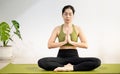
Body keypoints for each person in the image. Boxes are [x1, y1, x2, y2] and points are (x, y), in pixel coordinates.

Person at [38, 5, 101, 72]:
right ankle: (67, 67)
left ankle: (71, 68)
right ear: (62, 15)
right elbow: (49, 45)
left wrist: (71, 42)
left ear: (73, 16)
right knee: (41, 62)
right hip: (61, 58)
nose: (68, 16)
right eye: (65, 14)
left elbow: (85, 45)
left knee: (97, 61)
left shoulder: (77, 28)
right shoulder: (57, 29)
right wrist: (64, 42)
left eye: (70, 14)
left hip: (74, 57)